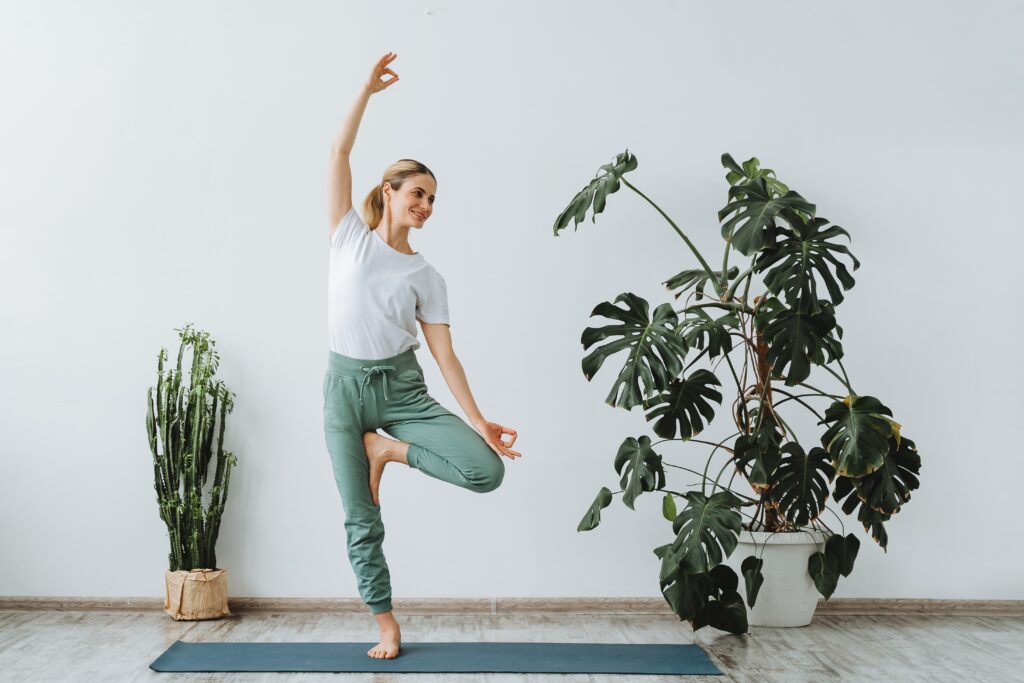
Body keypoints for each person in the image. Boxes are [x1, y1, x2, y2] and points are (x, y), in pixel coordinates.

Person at [323, 51, 523, 660]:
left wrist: (479, 419)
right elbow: (338, 155)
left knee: (486, 471)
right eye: (418, 193)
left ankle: (389, 449)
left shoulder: (427, 275)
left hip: (402, 392)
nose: (426, 206)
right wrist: (365, 91)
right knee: (362, 520)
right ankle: (386, 624)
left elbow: (445, 356)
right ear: (389, 191)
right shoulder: (348, 238)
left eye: (433, 199)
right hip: (344, 390)